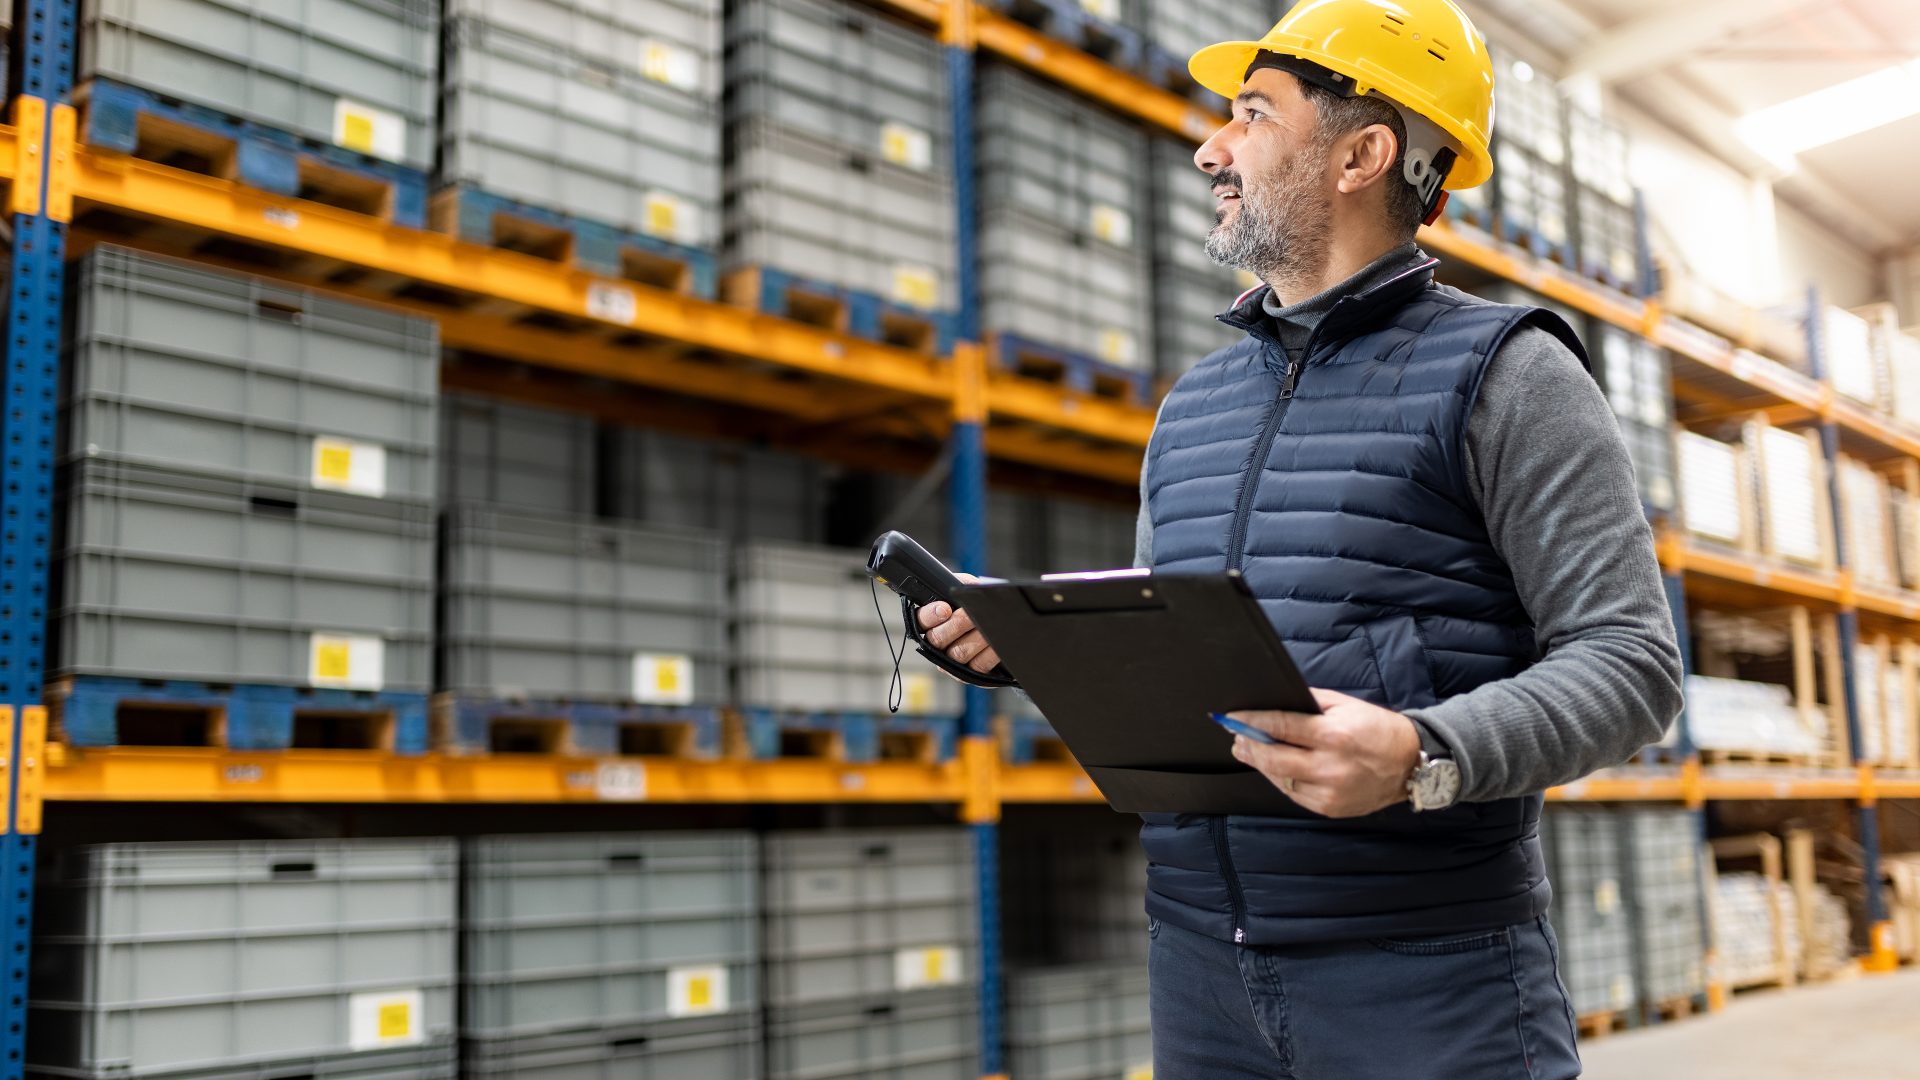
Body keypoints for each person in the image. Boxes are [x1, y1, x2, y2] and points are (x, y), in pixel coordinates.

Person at [917, 0, 1684, 1075]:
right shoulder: (1192, 405)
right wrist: (1028, 642)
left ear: (1361, 154)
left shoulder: (1510, 374)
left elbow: (1634, 664)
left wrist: (1426, 756)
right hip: (1199, 970)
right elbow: (1174, 648)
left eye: (1251, 115)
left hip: (1426, 977)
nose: (1208, 147)